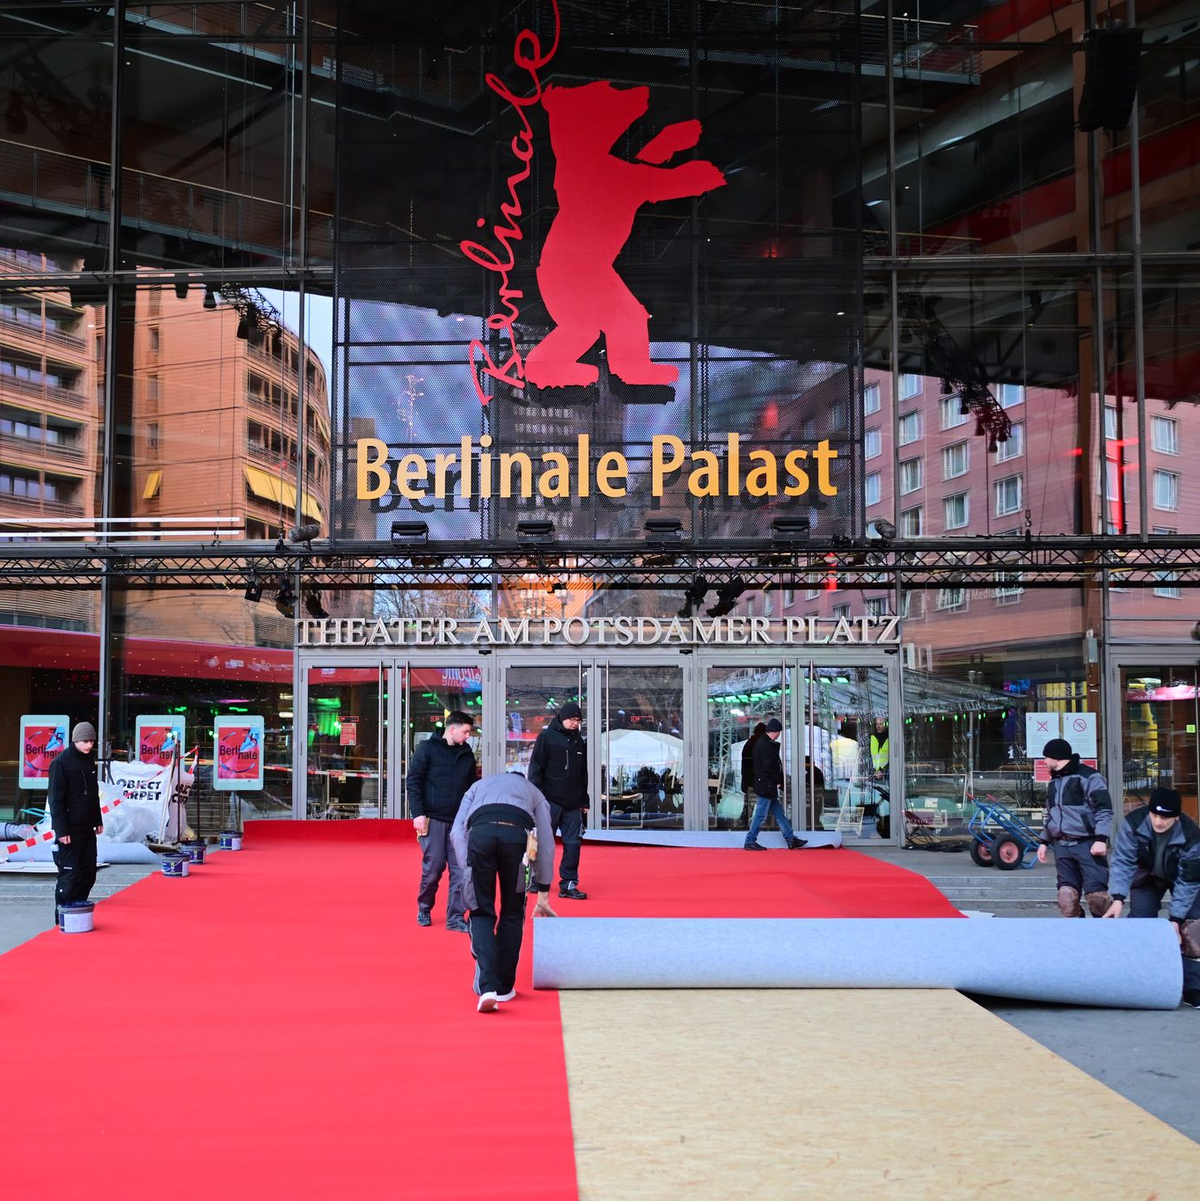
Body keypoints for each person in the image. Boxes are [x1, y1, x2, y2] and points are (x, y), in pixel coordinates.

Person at [450, 771, 558, 1013]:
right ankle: (505, 987)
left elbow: (456, 832)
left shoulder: (477, 786)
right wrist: (543, 891)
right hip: (517, 841)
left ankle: (487, 987)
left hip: (480, 837)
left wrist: (468, 868)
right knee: (512, 912)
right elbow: (547, 842)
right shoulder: (534, 792)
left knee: (481, 912)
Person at [1103, 787, 1200, 1008]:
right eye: (1155, 815)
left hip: (1180, 877)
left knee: (1193, 928)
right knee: (1141, 924)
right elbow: (1123, 862)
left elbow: (1188, 881)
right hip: (1146, 877)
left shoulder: (1192, 835)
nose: (1158, 821)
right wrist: (1117, 897)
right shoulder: (1133, 823)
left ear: (1176, 817)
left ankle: (1193, 987)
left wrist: (1175, 920)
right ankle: (1140, 980)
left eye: (1165, 817)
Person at [407, 712, 478, 931]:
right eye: (465, 731)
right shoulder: (427, 749)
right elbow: (414, 781)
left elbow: (471, 788)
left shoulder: (467, 754)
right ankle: (424, 907)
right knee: (434, 868)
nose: (468, 736)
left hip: (459, 822)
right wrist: (417, 813)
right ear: (452, 729)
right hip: (433, 818)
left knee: (461, 871)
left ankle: (455, 917)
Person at [1035, 737, 1113, 918]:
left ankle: (1107, 936)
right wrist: (1044, 841)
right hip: (1062, 846)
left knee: (1098, 899)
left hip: (1087, 844)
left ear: (1056, 757)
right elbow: (1051, 815)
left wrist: (1101, 839)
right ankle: (1078, 934)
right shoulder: (1054, 782)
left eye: (1046, 758)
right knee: (1066, 899)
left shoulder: (1089, 777)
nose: (1044, 762)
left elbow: (1104, 810)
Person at [527, 701, 589, 900]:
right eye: (572, 719)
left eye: (578, 720)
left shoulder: (580, 741)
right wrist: (536, 799)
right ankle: (535, 879)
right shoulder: (546, 737)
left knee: (573, 844)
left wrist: (584, 800)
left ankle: (569, 884)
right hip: (548, 801)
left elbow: (583, 773)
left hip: (573, 803)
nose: (575, 723)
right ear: (562, 718)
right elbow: (535, 769)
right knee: (542, 842)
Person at [46, 722, 102, 925]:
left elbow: (93, 794)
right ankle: (61, 916)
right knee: (69, 875)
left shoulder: (88, 761)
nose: (89, 745)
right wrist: (61, 830)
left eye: (91, 741)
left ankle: (77, 909)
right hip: (69, 830)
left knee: (88, 872)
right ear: (75, 740)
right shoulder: (60, 763)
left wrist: (97, 819)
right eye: (85, 741)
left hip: (87, 828)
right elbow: (55, 800)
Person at [744, 718, 807, 850]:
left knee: (778, 814)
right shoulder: (766, 745)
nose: (779, 735)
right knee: (760, 815)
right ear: (776, 732)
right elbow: (770, 766)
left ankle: (790, 839)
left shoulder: (762, 743)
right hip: (767, 785)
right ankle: (750, 840)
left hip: (766, 784)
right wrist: (776, 781)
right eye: (779, 732)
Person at [741, 722, 767, 824]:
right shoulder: (760, 743)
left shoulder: (750, 742)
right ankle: (766, 822)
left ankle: (744, 821)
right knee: (764, 803)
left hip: (748, 779)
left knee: (748, 804)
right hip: (756, 780)